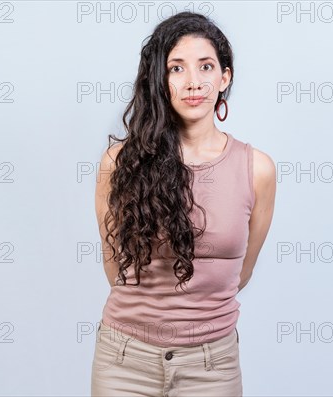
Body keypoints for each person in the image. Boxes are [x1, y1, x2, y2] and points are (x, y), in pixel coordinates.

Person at [91, 11, 276, 397]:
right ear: (160, 79)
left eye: (206, 66)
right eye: (176, 68)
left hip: (212, 364)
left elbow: (242, 271)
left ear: (225, 77)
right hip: (124, 359)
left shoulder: (257, 169)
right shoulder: (119, 163)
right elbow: (114, 265)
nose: (193, 82)